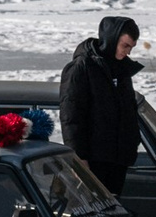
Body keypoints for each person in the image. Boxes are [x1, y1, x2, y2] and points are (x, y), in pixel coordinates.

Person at [58, 14, 145, 194]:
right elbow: (71, 116)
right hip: (93, 161)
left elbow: (128, 110)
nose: (128, 52)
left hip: (118, 159)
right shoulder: (81, 67)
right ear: (111, 39)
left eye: (132, 47)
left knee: (114, 206)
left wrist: (131, 142)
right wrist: (78, 158)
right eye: (125, 46)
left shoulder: (122, 68)